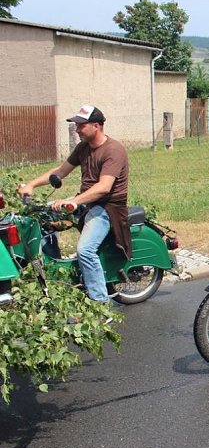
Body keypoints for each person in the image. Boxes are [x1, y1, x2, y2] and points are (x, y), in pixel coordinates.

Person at [18, 105, 130, 303]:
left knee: (85, 250)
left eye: (81, 125)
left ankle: (100, 303)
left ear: (96, 126)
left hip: (107, 208)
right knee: (39, 219)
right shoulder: (83, 148)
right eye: (76, 125)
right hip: (85, 201)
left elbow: (104, 187)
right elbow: (61, 171)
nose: (77, 129)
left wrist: (73, 202)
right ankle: (55, 275)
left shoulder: (114, 150)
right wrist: (31, 185)